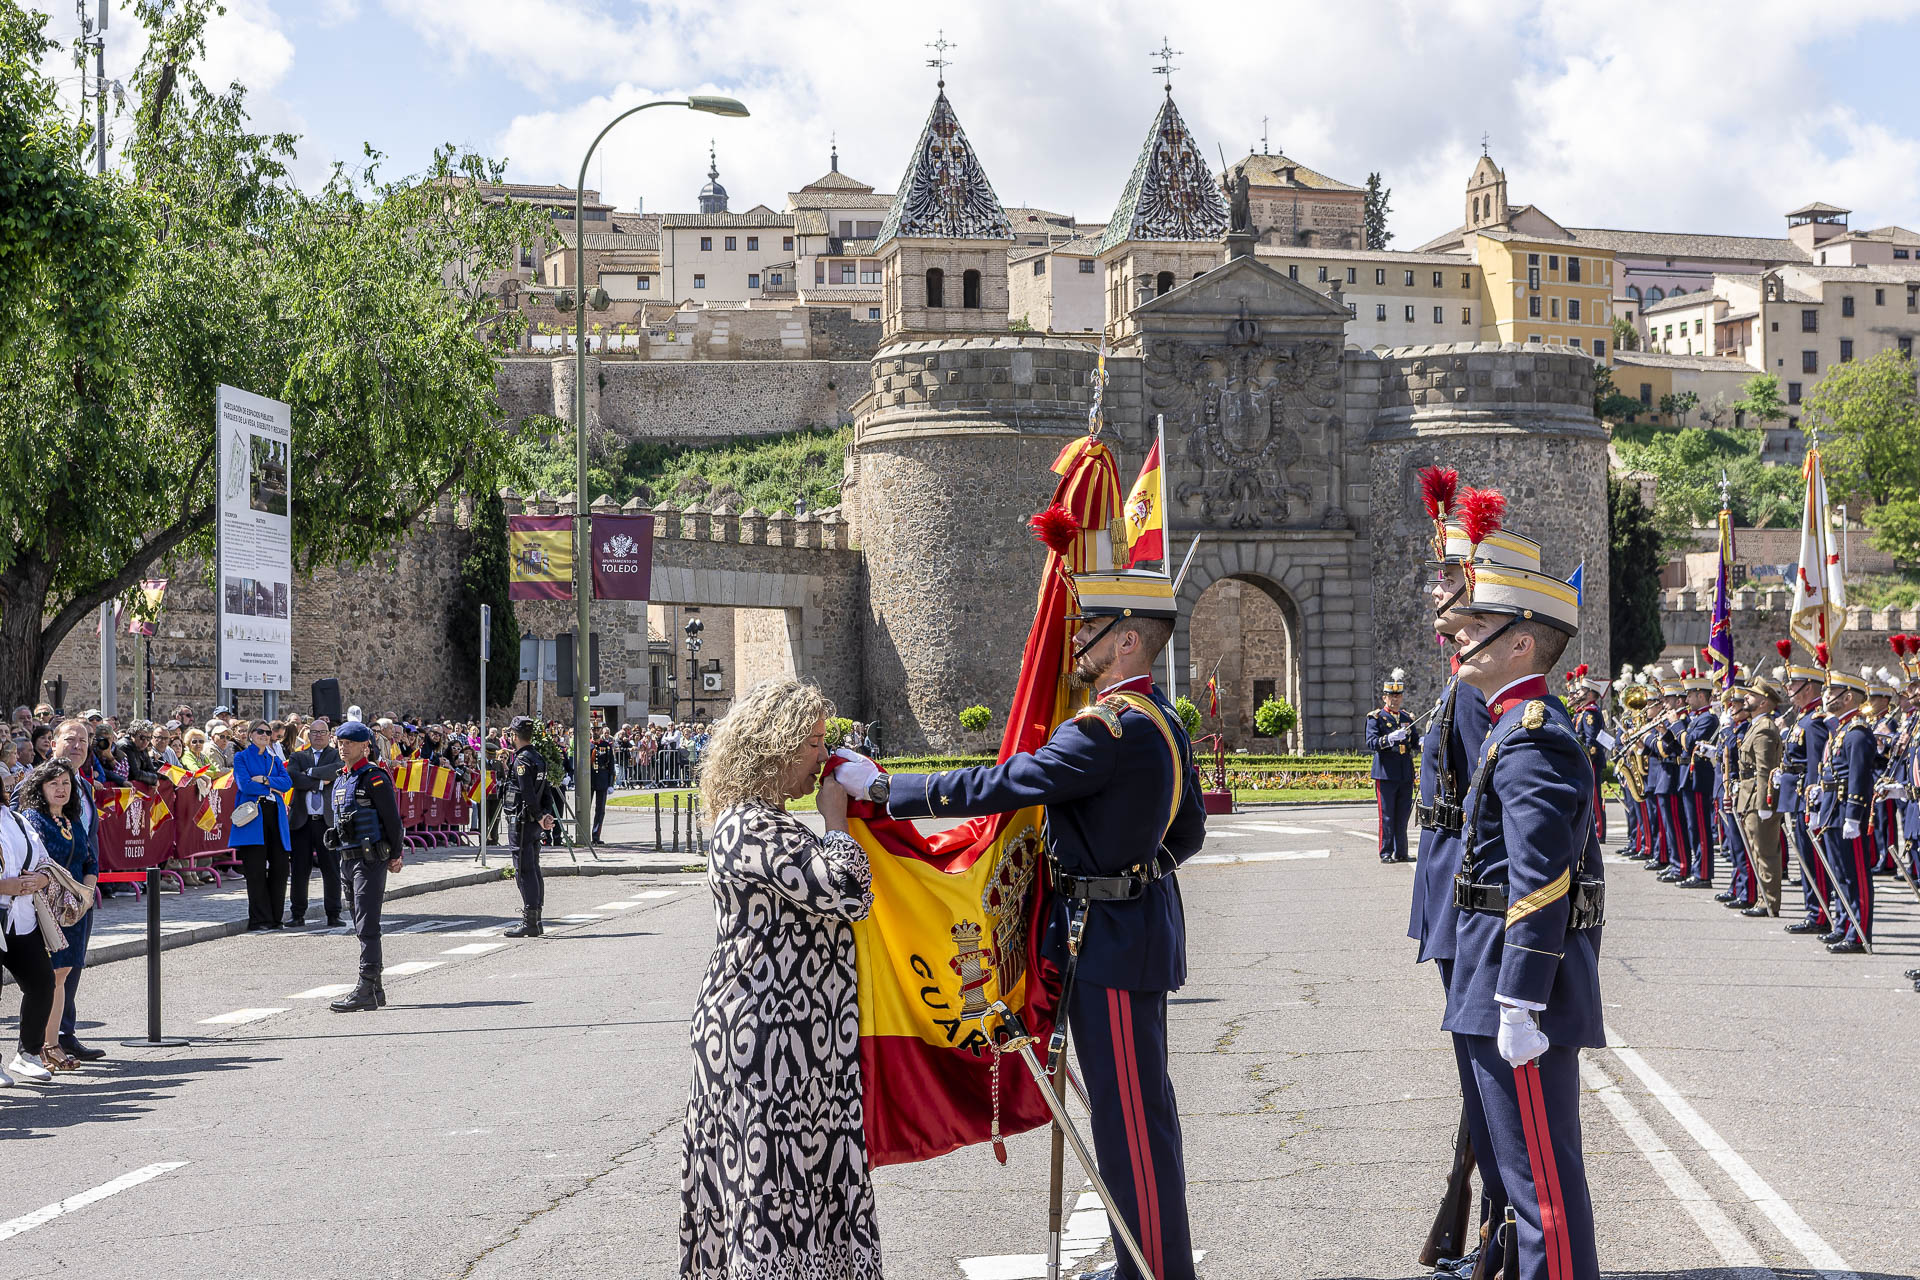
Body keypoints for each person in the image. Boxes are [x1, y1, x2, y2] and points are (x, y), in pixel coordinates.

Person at [842, 567, 1207, 1280]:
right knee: (1137, 1116)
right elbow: (1187, 834)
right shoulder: (1160, 719)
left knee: (1129, 1122)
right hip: (1133, 931)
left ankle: (1157, 1273)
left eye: (1094, 630)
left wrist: (887, 790)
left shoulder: (1109, 729)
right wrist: (1129, 863)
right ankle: (1151, 1263)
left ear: (1128, 640)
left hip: (1109, 944)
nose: (1082, 642)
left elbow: (1004, 781)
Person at [1446, 520, 1603, 1280]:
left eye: (1475, 628)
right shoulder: (1511, 726)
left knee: (1540, 1185)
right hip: (1492, 977)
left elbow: (1541, 877)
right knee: (1522, 1174)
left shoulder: (1534, 736)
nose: (1459, 638)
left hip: (1517, 990)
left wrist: (1520, 1001)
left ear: (1519, 644)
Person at [679, 679, 875, 1280]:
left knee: (802, 1192)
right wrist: (837, 822)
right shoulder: (747, 826)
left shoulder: (767, 823)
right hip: (763, 1042)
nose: (824, 756)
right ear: (776, 747)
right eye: (814, 743)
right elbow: (848, 892)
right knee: (771, 1195)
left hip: (795, 1044)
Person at [1407, 502, 1506, 1278]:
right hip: (1446, 890)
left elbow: (1482, 805)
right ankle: (1483, 1219)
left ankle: (1498, 1226)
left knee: (1485, 1080)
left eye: (1447, 577)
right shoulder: (1459, 687)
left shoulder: (1474, 694)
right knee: (1473, 1077)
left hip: (1463, 896)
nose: (1435, 590)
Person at [20, 759, 97, 1072]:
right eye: (54, 783)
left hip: (74, 907)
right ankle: (39, 1047)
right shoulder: (32, 818)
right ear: (40, 787)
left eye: (65, 783)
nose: (61, 789)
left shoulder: (72, 819)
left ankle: (52, 1043)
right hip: (44, 907)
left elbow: (90, 860)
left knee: (63, 974)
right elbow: (38, 863)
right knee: (47, 977)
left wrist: (87, 893)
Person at [325, 721, 405, 1013]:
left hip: (370, 859)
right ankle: (376, 989)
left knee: (367, 923)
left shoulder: (374, 777)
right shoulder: (341, 778)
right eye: (340, 742)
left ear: (365, 746)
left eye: (349, 742)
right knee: (359, 921)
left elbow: (392, 820)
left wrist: (396, 853)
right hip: (347, 858)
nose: (343, 747)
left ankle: (365, 984)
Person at [46, 718, 107, 1060]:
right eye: (70, 739)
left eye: (83, 740)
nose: (78, 745)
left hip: (81, 889)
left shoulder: (82, 786)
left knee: (74, 962)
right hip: (50, 890)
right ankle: (41, 1041)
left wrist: (89, 883)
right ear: (52, 743)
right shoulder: (37, 782)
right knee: (52, 968)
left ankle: (65, 1033)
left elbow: (89, 838)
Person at [1811, 668, 1876, 954]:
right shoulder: (1842, 731)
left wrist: (1854, 814)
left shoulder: (1858, 733)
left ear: (1847, 697)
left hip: (1846, 812)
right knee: (1839, 873)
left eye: (1830, 692)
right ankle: (1845, 925)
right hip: (1832, 810)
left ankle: (1859, 933)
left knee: (1855, 875)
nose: (1825, 696)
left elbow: (1859, 776)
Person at [0, 792, 58, 1085]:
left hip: (22, 918)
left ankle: (28, 1054)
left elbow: (46, 863)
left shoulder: (18, 820)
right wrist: (3, 885)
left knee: (41, 982)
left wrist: (41, 880)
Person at [1777, 656, 1832, 937]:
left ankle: (1820, 913)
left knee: (1814, 858)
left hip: (1807, 797)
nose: (1788, 688)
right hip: (1797, 795)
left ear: (1809, 688)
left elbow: (1816, 765)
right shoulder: (1802, 718)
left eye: (1794, 683)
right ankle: (1813, 910)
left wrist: (1814, 803)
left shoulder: (1814, 721)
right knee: (1805, 859)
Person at [231, 720, 295, 932]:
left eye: (268, 732)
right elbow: (244, 784)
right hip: (253, 818)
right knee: (256, 871)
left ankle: (276, 917)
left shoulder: (274, 759)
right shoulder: (241, 757)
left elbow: (286, 783)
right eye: (260, 731)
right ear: (251, 734)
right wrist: (269, 788)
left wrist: (266, 780)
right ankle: (259, 919)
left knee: (279, 868)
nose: (265, 735)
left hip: (274, 817)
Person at [500, 717, 555, 938]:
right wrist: (546, 814)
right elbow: (547, 789)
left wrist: (541, 815)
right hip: (533, 821)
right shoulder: (538, 757)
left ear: (514, 736)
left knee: (524, 870)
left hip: (523, 821)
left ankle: (530, 921)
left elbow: (528, 793)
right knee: (533, 868)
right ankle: (536, 919)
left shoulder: (522, 760)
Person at [1736, 678, 1786, 917]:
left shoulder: (1765, 727)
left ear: (1764, 701)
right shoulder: (1756, 725)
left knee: (1766, 853)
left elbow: (1765, 769)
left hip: (1759, 799)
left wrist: (1766, 803)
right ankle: (1761, 899)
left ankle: (1769, 902)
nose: (1746, 697)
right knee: (1756, 851)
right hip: (1749, 796)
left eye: (1751, 695)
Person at [287, 719, 345, 927]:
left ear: (329, 734)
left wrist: (310, 773)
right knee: (300, 869)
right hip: (302, 821)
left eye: (323, 732)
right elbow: (293, 777)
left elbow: (338, 770)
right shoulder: (298, 755)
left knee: (331, 869)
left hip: (326, 821)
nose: (318, 735)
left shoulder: (336, 754)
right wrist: (321, 781)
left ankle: (333, 912)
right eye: (314, 732)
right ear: (308, 734)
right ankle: (297, 913)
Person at [1366, 669, 1416, 864]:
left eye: (1398, 696)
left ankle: (1401, 852)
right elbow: (1371, 743)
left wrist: (1423, 742)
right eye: (1391, 696)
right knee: (1387, 816)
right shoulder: (1376, 718)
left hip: (1405, 773)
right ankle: (1386, 852)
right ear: (1384, 697)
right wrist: (1389, 739)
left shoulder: (1407, 717)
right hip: (1386, 773)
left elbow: (1415, 742)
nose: (1395, 700)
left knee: (1403, 815)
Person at [589, 725, 615, 843]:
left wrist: (610, 783)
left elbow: (611, 765)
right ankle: (583, 834)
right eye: (593, 729)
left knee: (600, 810)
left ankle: (596, 836)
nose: (595, 731)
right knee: (585, 809)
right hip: (589, 779)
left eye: (597, 729)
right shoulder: (587, 744)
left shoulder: (606, 746)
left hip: (602, 778)